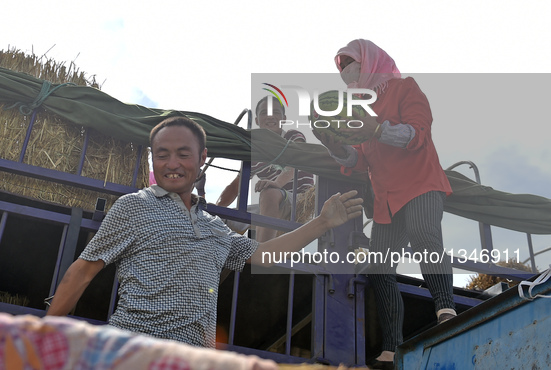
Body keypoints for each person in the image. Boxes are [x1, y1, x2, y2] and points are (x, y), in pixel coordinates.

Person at [47, 116, 363, 349]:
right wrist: (43, 332)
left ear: (201, 159)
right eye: (162, 154)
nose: (172, 163)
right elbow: (82, 272)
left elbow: (265, 256)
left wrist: (321, 222)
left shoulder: (215, 227)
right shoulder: (134, 206)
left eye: (183, 154)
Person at [316, 39, 455, 369]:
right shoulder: (358, 109)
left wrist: (377, 129)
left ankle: (446, 309)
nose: (347, 72)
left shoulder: (405, 88)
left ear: (371, 61)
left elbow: (417, 133)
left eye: (352, 64)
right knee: (378, 267)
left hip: (421, 183)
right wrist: (334, 145)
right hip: (386, 198)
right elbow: (359, 160)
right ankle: (393, 346)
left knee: (424, 236)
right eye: (342, 68)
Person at [217, 97, 314, 242]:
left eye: (275, 112)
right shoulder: (254, 153)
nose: (270, 116)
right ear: (256, 120)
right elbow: (236, 185)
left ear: (284, 119)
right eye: (264, 113)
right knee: (222, 218)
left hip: (298, 202)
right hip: (272, 204)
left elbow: (293, 164)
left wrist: (276, 184)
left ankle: (263, 253)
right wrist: (218, 207)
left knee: (269, 193)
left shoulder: (291, 136)